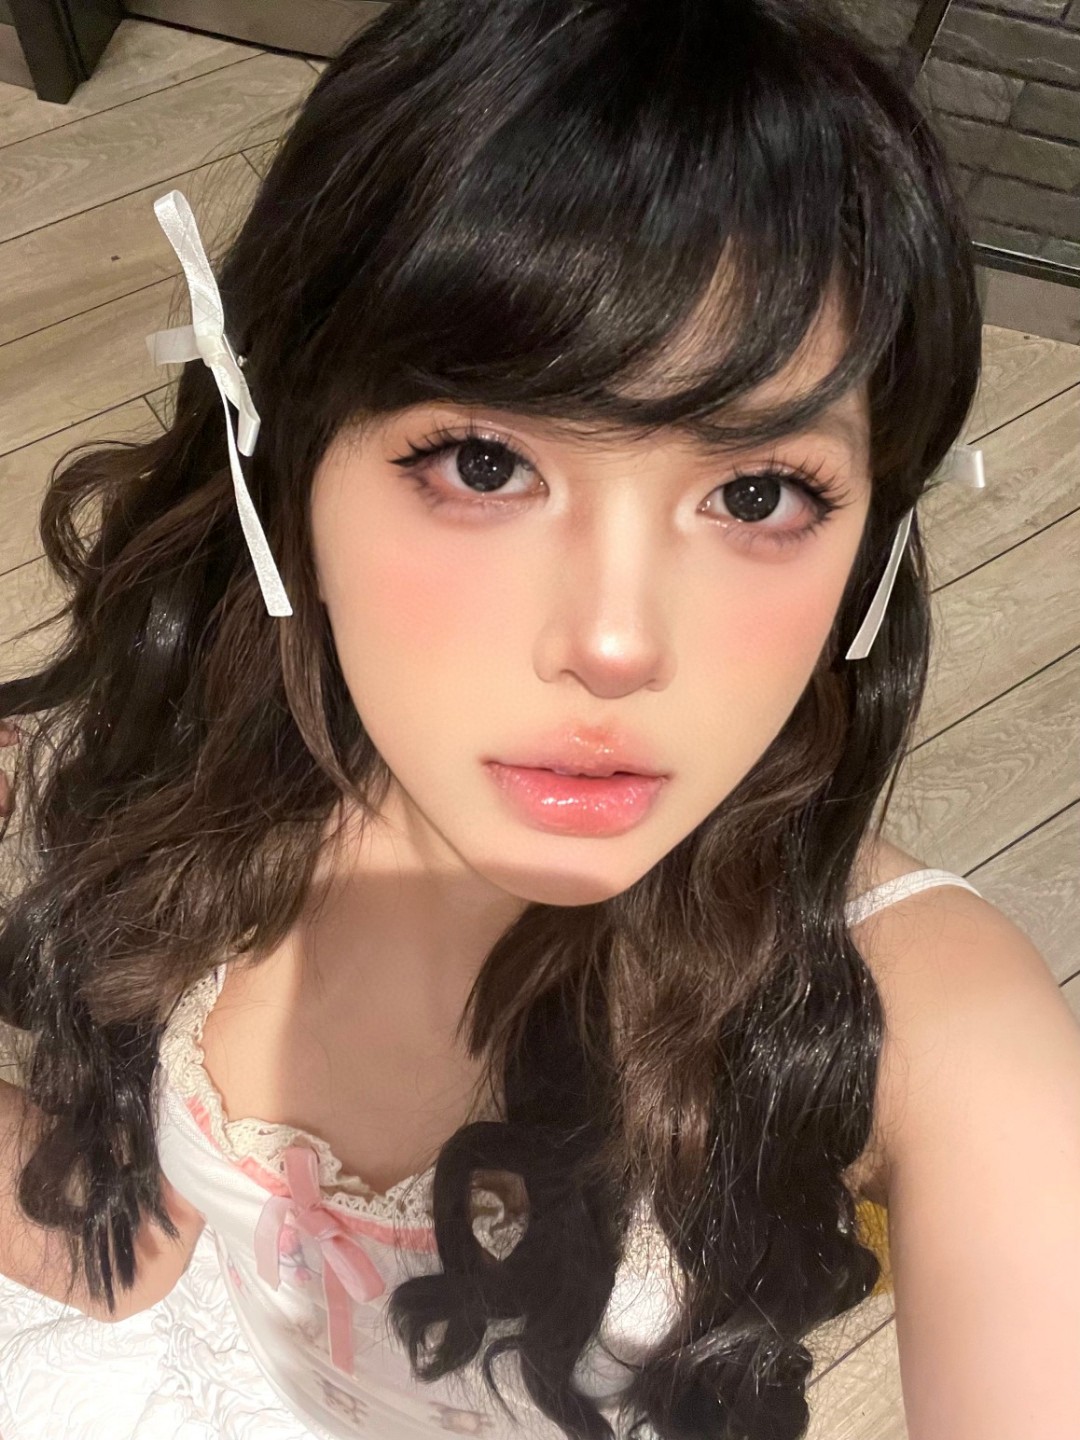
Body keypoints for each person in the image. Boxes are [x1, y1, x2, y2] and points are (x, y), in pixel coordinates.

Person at [1, 1, 1078, 1437]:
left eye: (757, 493)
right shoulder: (177, 783)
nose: (617, 646)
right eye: (485, 464)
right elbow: (122, 1255)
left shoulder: (931, 1024)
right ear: (286, 460)